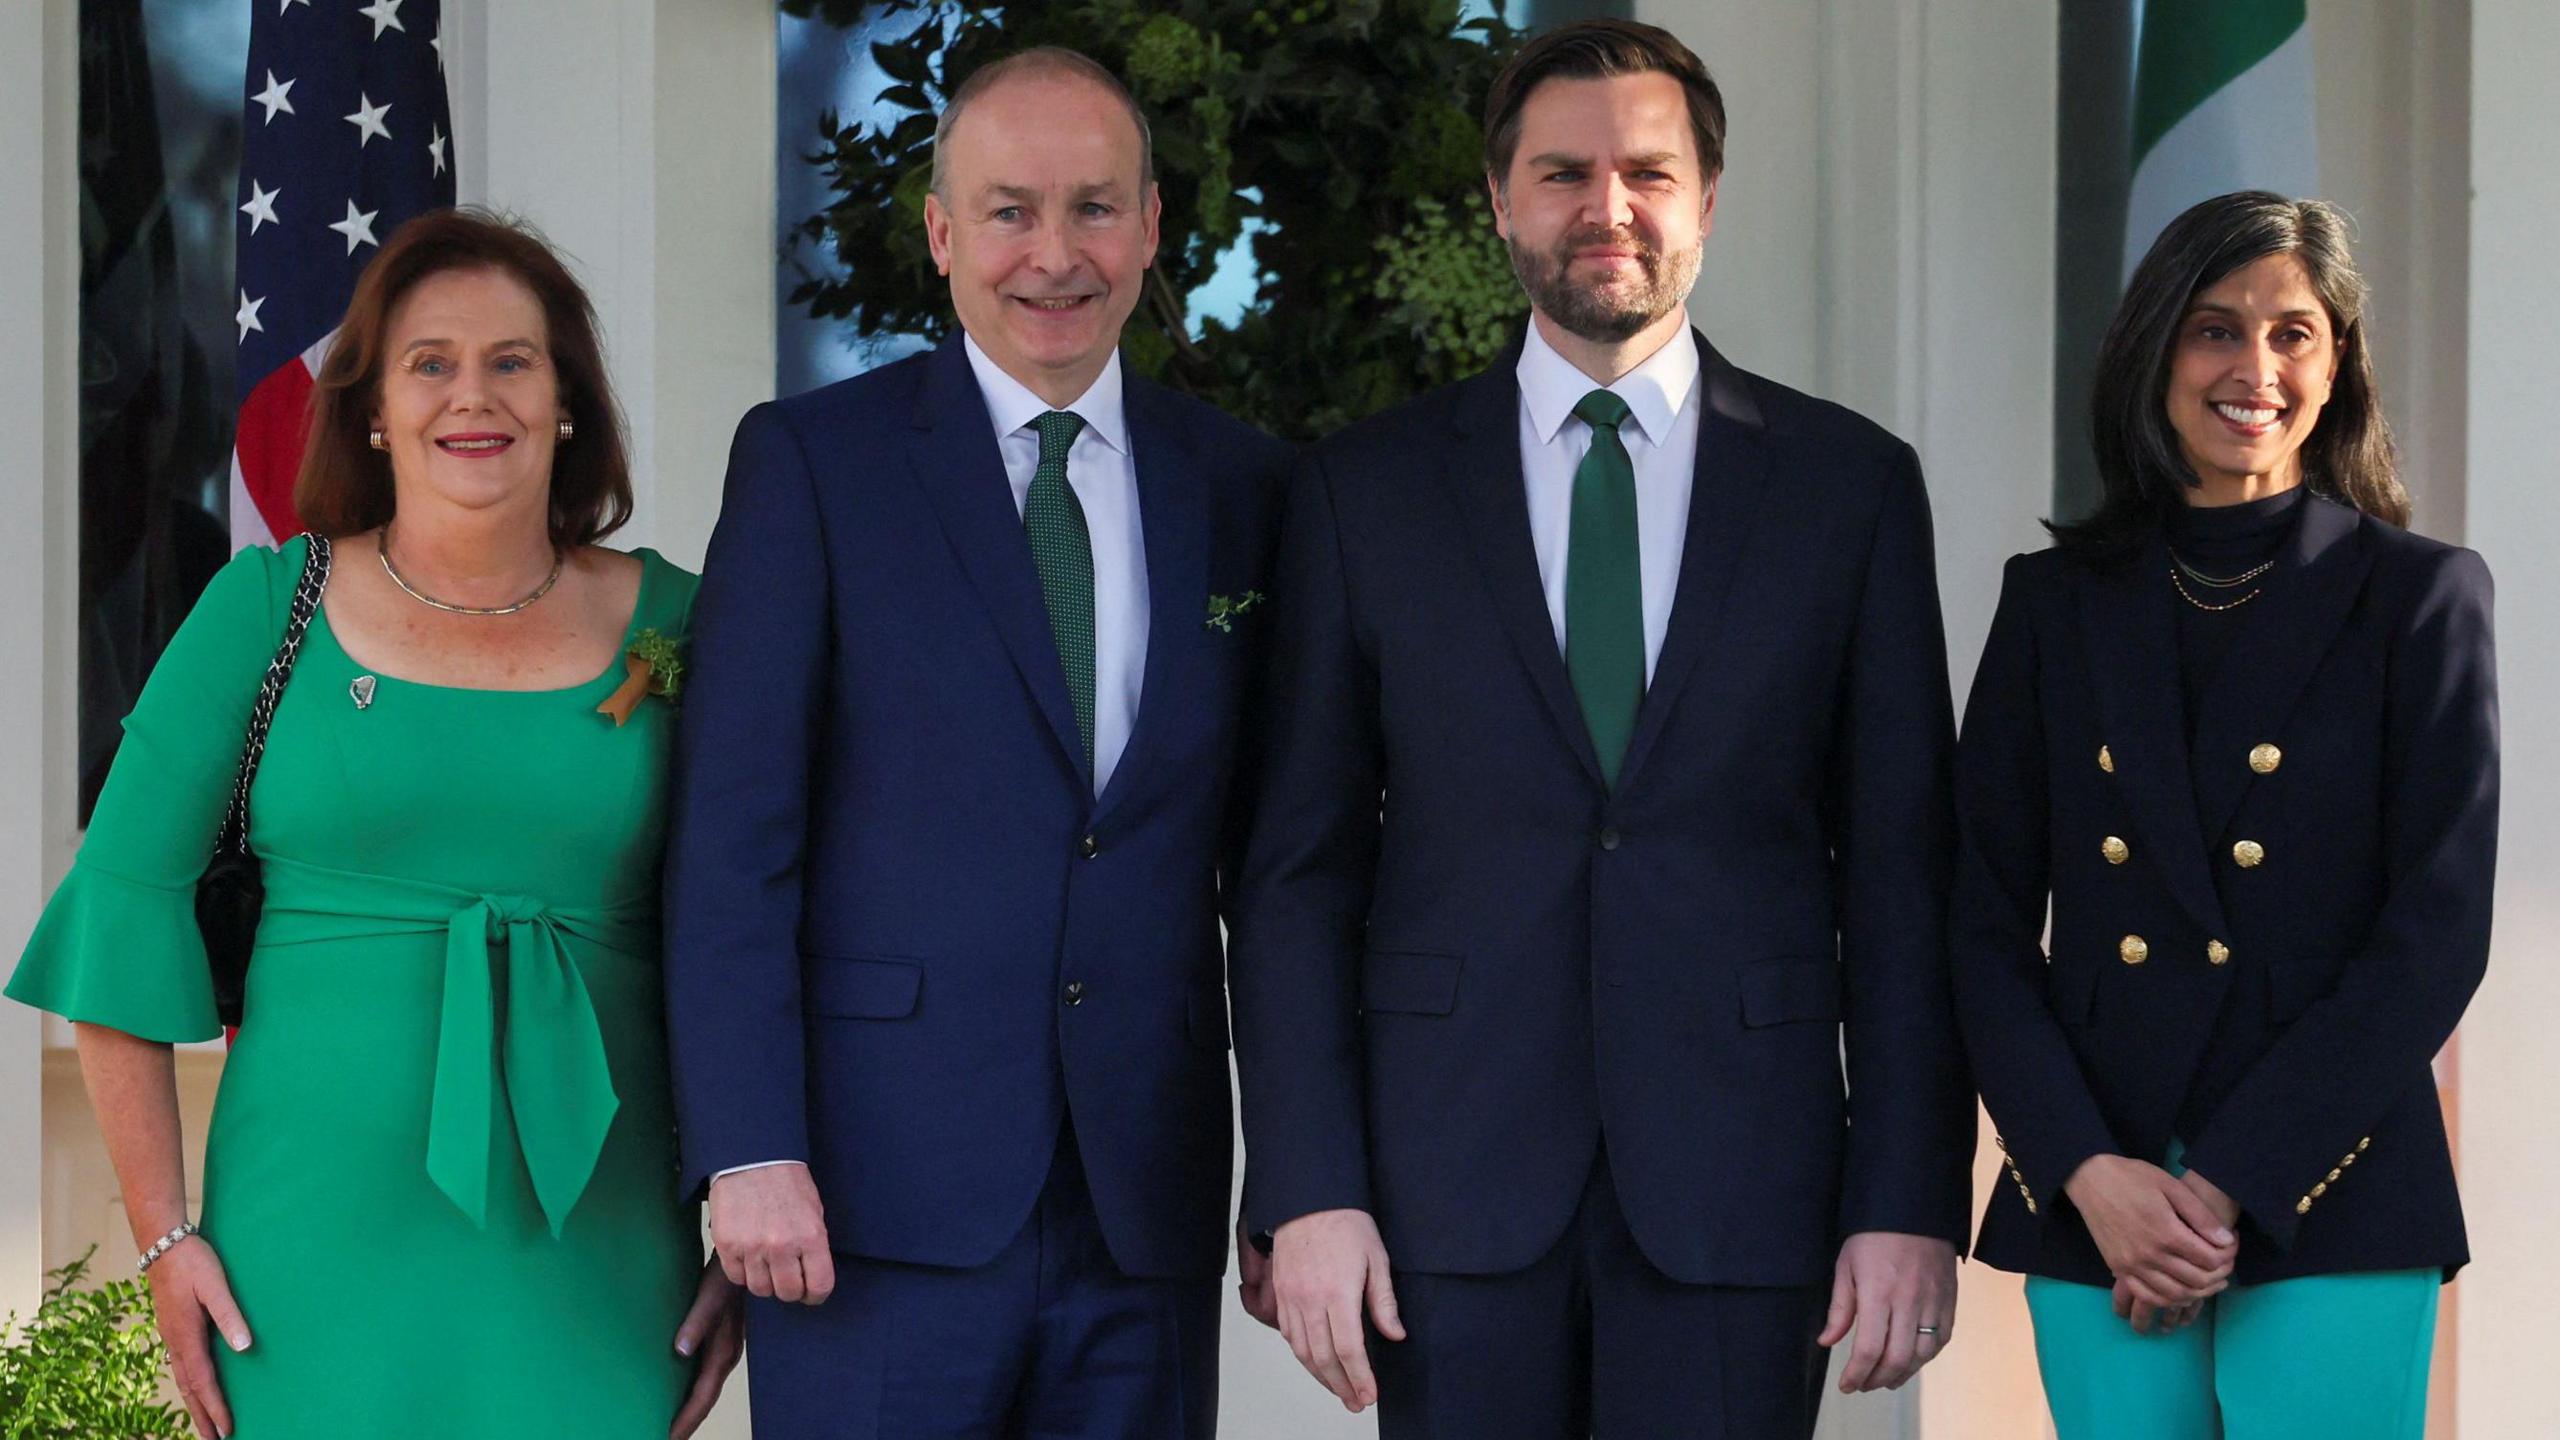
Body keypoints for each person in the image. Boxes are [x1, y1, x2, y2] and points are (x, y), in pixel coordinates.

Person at [1228, 19, 1974, 1439]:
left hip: (1743, 1185)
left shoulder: (1848, 489)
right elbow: (1295, 872)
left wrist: (1905, 1198)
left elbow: (1902, 874)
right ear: (1502, 201)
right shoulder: (1364, 491)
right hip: (1444, 1186)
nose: (1607, 209)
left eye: (1648, 172)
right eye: (1564, 172)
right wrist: (1308, 1182)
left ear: (1706, 197)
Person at [4, 208, 741, 1439]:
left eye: (514, 360)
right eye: (430, 362)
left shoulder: (685, 624)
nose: (475, 395)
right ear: (373, 410)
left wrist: (754, 1206)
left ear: (567, 402)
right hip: (308, 1249)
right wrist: (165, 1238)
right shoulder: (263, 609)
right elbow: (119, 913)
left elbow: (778, 922)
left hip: (602, 1252)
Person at [662, 47, 1291, 1440]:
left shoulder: (1248, 486)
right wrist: (749, 1147)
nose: (1053, 255)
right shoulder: (815, 465)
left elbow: (1284, 869)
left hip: (1147, 1206)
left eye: (1094, 208)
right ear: (942, 235)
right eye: (1009, 211)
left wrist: (1297, 1172)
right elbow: (732, 841)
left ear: (1152, 230)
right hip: (865, 1208)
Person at [1949, 190, 2495, 1440]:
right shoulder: (2051, 605)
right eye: (2213, 328)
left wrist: (2229, 1186)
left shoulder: (2419, 600)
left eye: (2292, 332)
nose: (2254, 367)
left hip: (2329, 1185)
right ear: (2155, 351)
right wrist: (2089, 1173)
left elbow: (2433, 937)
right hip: (2099, 1192)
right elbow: (1976, 921)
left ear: (2336, 359)